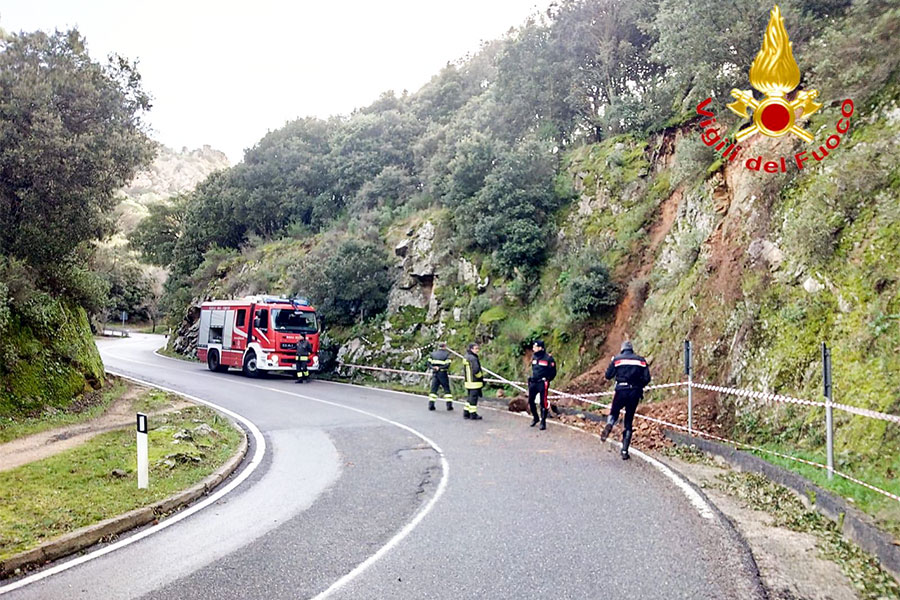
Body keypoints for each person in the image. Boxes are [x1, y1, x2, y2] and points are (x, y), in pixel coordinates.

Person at [601, 340, 651, 459]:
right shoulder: (641, 360)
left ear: (622, 349)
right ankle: (624, 450)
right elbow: (647, 378)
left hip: (621, 390)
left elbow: (608, 375)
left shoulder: (617, 359)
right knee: (629, 419)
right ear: (632, 349)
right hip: (634, 391)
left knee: (614, 411)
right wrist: (639, 385)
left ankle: (609, 424)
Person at [527, 340, 557, 430]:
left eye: (535, 347)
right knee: (530, 401)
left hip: (542, 382)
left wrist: (547, 379)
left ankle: (543, 421)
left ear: (540, 347)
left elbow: (553, 371)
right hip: (533, 382)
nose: (533, 348)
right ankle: (535, 418)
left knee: (542, 402)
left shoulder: (548, 358)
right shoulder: (534, 357)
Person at [428, 342, 454, 411]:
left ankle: (431, 405)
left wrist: (434, 368)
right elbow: (447, 365)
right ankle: (449, 406)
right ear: (444, 346)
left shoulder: (433, 354)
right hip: (443, 373)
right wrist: (440, 368)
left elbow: (428, 363)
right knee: (446, 389)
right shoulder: (446, 354)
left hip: (435, 373)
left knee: (433, 389)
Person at [462, 342, 484, 420]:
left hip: (468, 382)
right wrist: (481, 377)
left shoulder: (466, 357)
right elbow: (476, 370)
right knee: (473, 399)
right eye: (476, 349)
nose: (477, 350)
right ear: (471, 349)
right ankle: (473, 414)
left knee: (469, 398)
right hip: (475, 382)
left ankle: (466, 413)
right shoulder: (473, 358)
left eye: (478, 348)